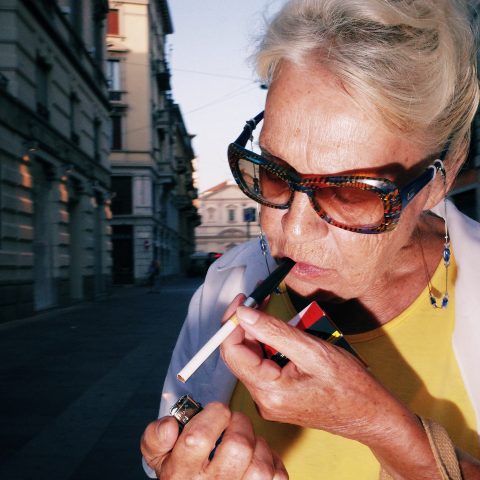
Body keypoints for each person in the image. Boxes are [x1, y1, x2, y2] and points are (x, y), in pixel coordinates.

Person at [141, 0, 480, 478]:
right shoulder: (224, 284)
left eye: (350, 192)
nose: (291, 230)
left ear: (439, 180)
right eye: (275, 174)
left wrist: (384, 428)